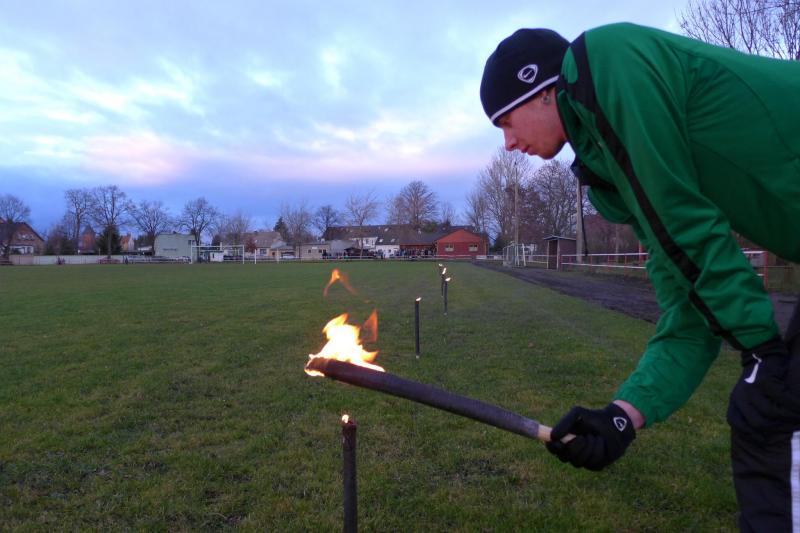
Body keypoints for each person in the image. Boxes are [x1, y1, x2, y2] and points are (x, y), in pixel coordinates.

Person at [480, 22, 800, 531]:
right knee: (764, 411)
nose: (508, 143)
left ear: (540, 90)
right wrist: (622, 417)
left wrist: (760, 348)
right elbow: (688, 309)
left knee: (771, 415)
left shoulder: (608, 61)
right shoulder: (615, 165)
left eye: (505, 121)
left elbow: (686, 224)